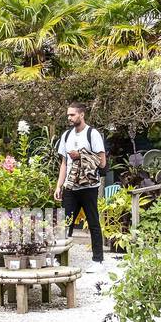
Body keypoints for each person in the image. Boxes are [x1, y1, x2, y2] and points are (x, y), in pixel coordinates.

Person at [54, 101, 107, 273]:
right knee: (64, 224)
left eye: (72, 115)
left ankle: (98, 260)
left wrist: (81, 155)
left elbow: (102, 162)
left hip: (89, 186)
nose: (69, 117)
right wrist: (58, 186)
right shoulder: (66, 135)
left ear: (81, 115)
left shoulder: (93, 134)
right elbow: (64, 163)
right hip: (70, 186)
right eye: (68, 115)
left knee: (93, 222)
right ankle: (57, 259)